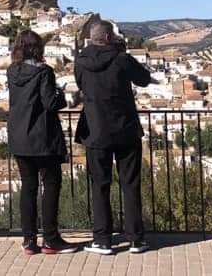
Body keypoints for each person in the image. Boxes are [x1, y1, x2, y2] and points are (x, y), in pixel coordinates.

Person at [75, 21, 153, 255]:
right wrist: (122, 51)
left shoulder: (81, 62)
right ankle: (136, 239)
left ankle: (102, 240)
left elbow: (81, 85)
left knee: (100, 186)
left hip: (95, 131)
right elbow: (144, 79)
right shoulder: (122, 59)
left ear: (92, 38)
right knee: (130, 184)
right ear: (109, 37)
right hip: (125, 130)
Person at [6, 30, 78, 255]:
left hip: (19, 136)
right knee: (51, 185)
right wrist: (63, 96)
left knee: (28, 188)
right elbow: (49, 103)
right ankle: (51, 239)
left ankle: (28, 240)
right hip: (42, 138)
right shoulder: (44, 71)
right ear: (38, 48)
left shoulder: (12, 71)